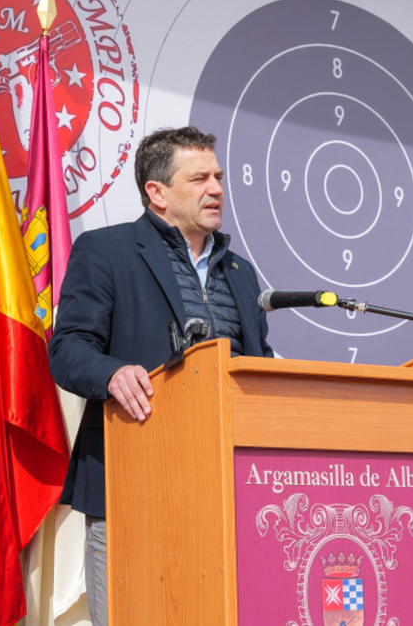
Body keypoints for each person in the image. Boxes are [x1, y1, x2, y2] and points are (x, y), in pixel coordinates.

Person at [48, 126, 274, 626]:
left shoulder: (240, 271)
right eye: (199, 178)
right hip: (136, 487)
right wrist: (111, 373)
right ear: (157, 192)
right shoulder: (106, 251)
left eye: (218, 176)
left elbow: (257, 360)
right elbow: (67, 348)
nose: (216, 187)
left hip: (231, 493)